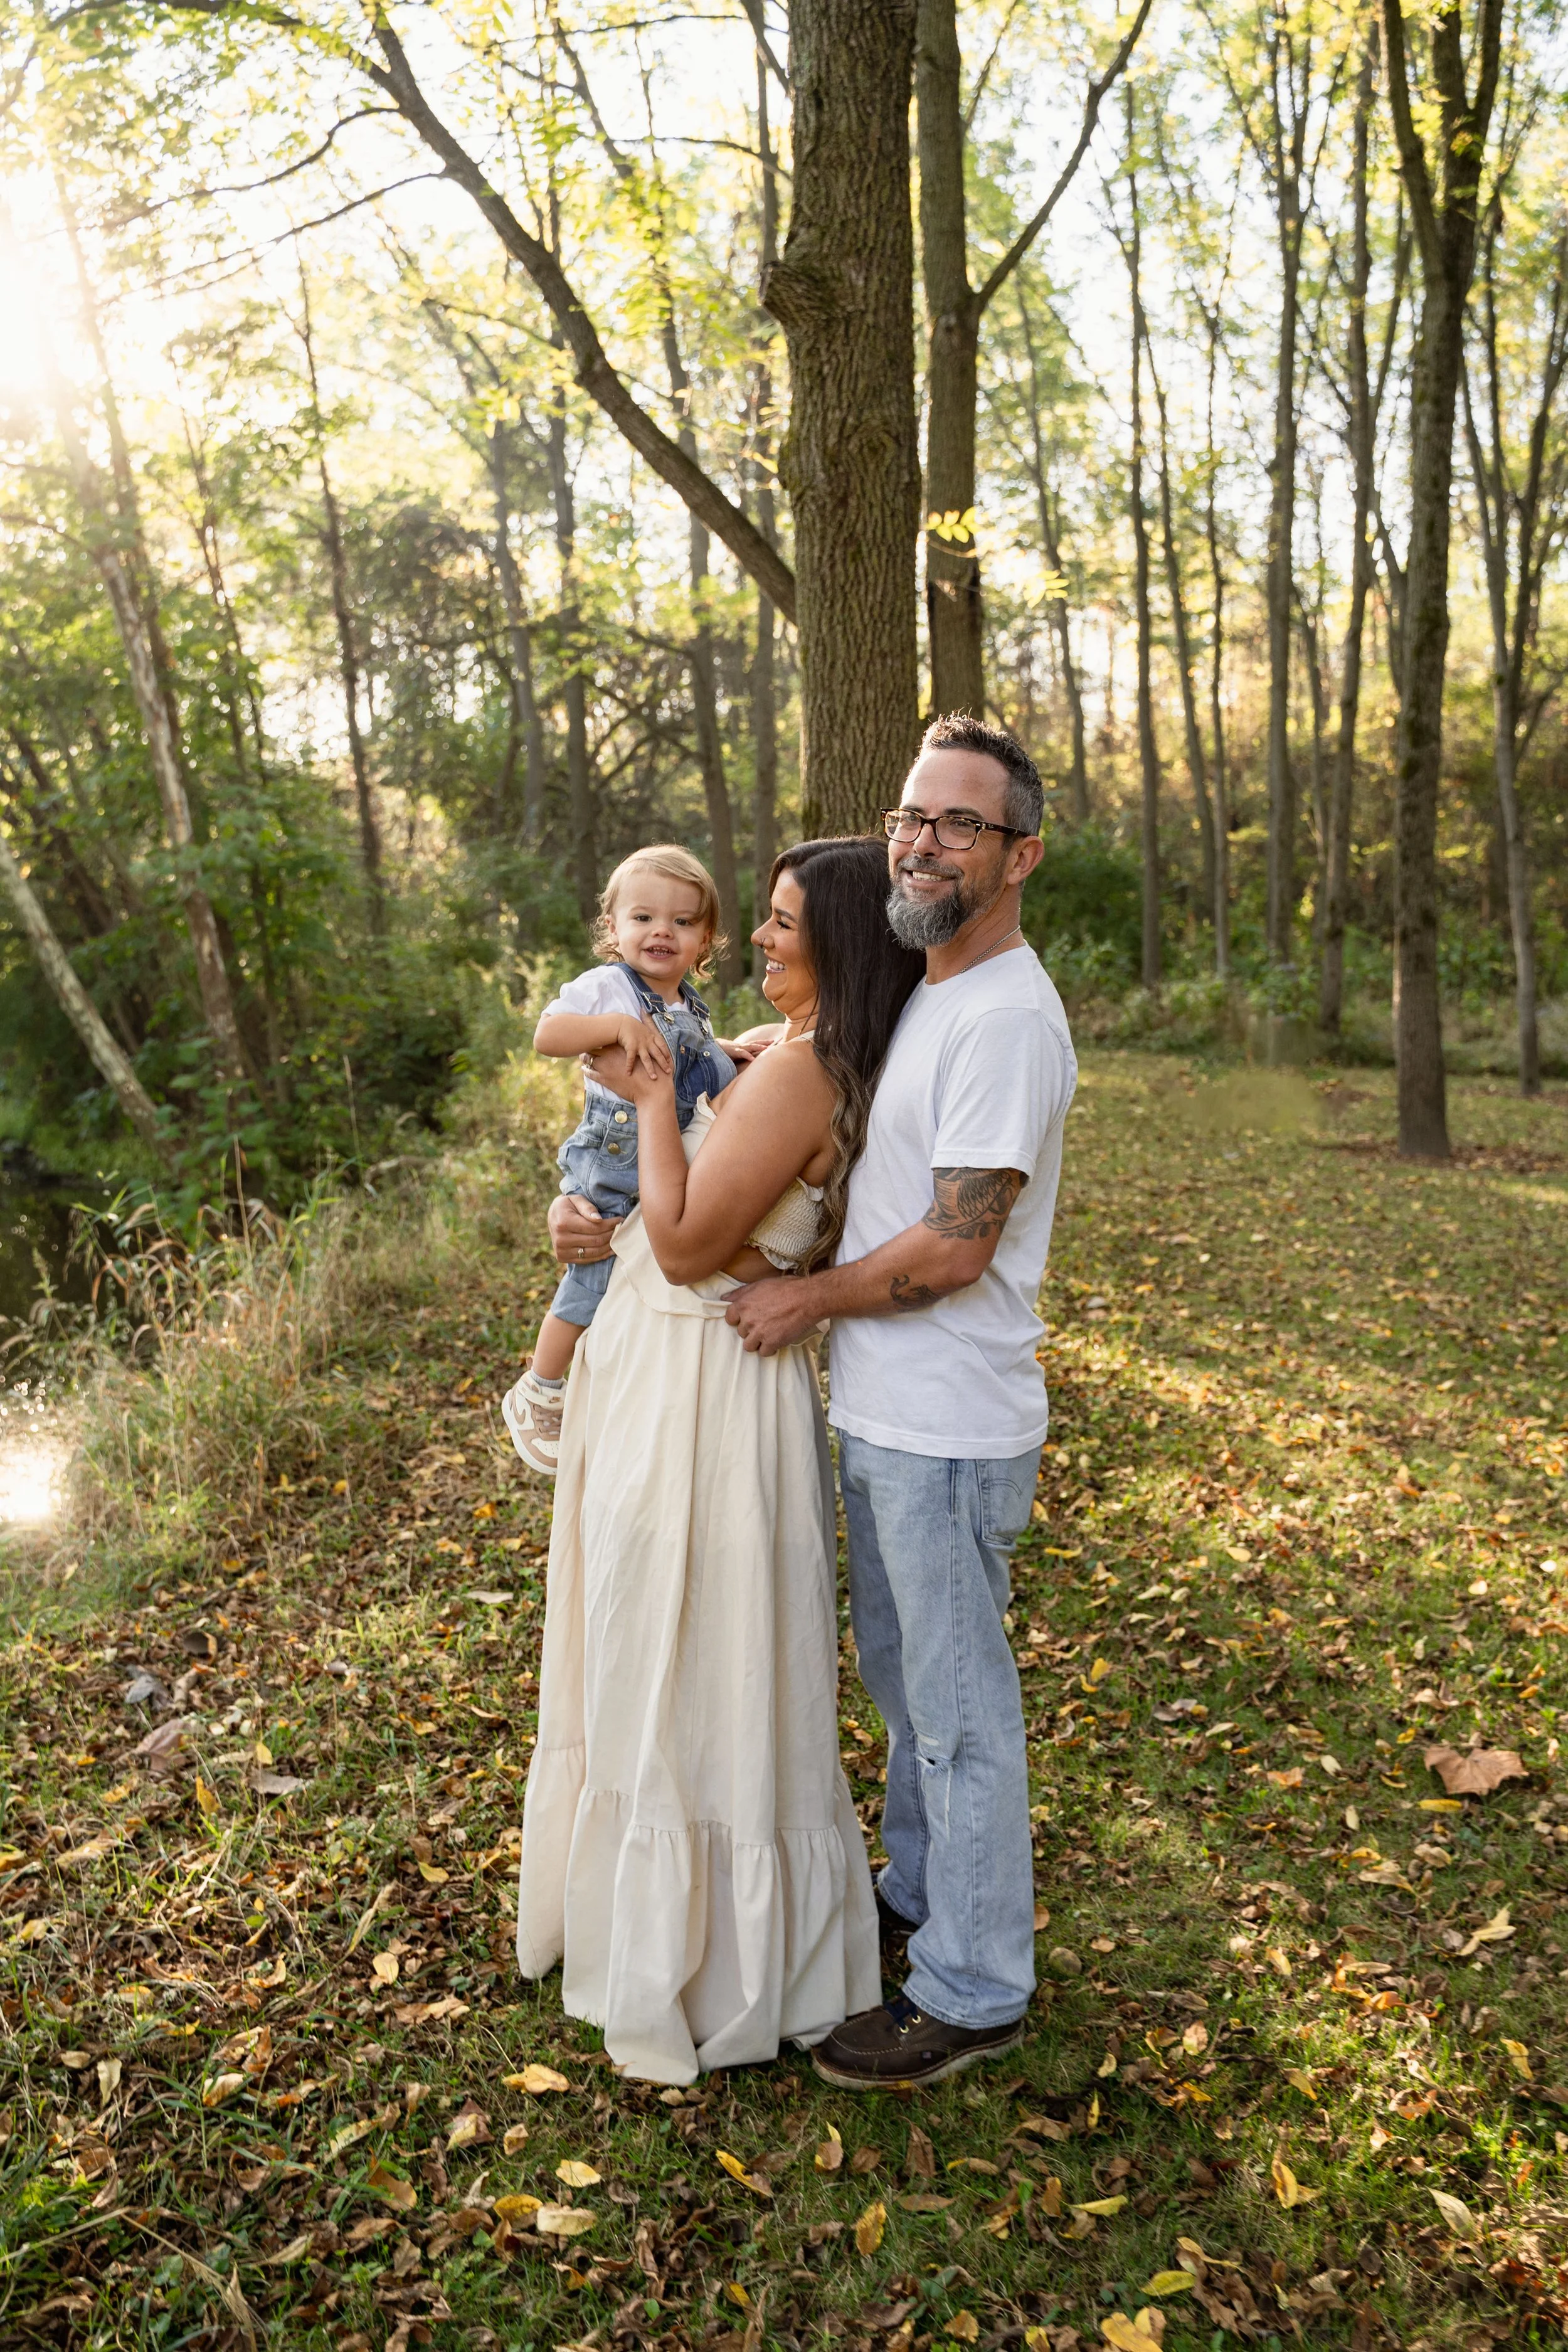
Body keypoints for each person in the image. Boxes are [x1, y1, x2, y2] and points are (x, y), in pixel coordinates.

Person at [516, 837, 926, 2085]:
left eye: (783, 922)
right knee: (669, 1643)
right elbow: (687, 1212)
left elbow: (692, 1242)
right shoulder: (788, 1056)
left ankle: (697, 1954)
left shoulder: (800, 1069)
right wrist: (590, 1219)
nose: (758, 937)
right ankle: (660, 1920)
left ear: (839, 946)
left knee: (683, 1650)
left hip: (694, 1385)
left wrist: (647, 1114)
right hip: (675, 1366)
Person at [726, 714, 1078, 2090]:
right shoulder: (938, 986)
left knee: (955, 1710)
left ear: (1019, 855)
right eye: (908, 818)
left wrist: (803, 1299)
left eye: (957, 825)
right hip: (887, 1415)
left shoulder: (1005, 1017)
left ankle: (972, 1988)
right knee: (908, 1688)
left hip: (945, 1423)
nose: (921, 842)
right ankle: (926, 1894)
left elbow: (951, 1246)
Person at [501, 845, 741, 1476]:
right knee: (593, 1275)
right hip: (614, 1165)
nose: (661, 932)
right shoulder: (608, 987)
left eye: (682, 922)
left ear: (704, 939)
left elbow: (695, 1066)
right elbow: (548, 1034)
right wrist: (613, 1025)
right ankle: (539, 1389)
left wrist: (727, 1053)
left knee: (630, 1282)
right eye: (643, 918)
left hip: (659, 1174)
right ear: (614, 929)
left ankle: (588, 1377)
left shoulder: (690, 1007)